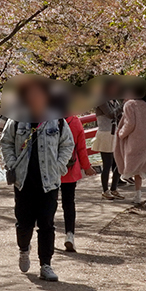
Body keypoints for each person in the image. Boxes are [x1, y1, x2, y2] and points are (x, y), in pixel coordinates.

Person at [0, 76, 74, 282]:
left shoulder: (56, 119)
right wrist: (11, 163)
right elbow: (5, 142)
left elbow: (68, 144)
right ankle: (24, 249)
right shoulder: (16, 118)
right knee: (23, 223)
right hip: (23, 180)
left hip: (49, 181)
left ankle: (46, 264)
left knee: (47, 224)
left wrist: (59, 166)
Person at [115, 78, 146, 208]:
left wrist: (121, 133)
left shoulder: (130, 105)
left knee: (136, 168)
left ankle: (138, 195)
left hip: (136, 140)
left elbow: (130, 124)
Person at [58, 104, 94, 253]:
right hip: (70, 169)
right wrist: (86, 167)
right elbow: (81, 148)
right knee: (68, 203)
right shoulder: (75, 121)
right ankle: (70, 235)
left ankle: (48, 233)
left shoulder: (47, 120)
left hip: (50, 169)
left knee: (49, 202)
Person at [92, 78, 123, 199]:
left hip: (115, 133)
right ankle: (105, 190)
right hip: (105, 134)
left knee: (119, 162)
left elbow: (119, 115)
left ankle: (114, 188)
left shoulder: (114, 101)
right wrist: (123, 106)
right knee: (107, 164)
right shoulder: (101, 100)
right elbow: (111, 114)